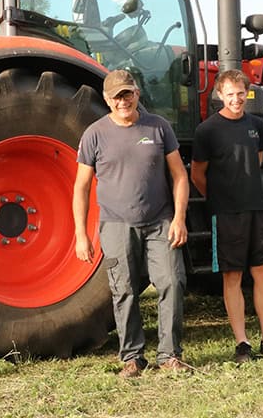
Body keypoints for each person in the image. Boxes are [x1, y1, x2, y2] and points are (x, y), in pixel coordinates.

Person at [73, 69, 190, 377]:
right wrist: (80, 234)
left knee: (172, 282)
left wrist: (179, 218)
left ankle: (170, 354)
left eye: (127, 94)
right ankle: (132, 358)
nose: (122, 101)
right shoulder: (94, 134)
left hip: (160, 220)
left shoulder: (158, 127)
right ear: (106, 99)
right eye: (115, 96)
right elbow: (81, 187)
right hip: (115, 224)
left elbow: (179, 175)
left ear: (137, 93)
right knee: (123, 289)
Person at [191, 69, 263, 363]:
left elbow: (256, 164)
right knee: (232, 277)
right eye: (230, 94)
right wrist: (221, 197)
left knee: (262, 274)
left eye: (241, 93)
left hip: (257, 209)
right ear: (219, 95)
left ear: (248, 93)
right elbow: (197, 174)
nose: (236, 99)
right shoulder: (207, 131)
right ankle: (242, 343)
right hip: (227, 213)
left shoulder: (257, 125)